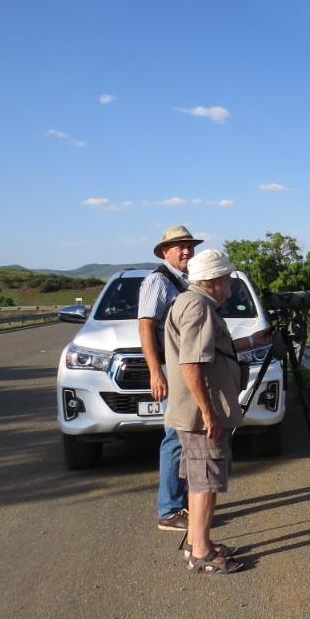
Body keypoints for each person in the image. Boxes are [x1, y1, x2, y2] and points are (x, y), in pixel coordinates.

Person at [164, 249, 270, 573]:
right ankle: (201, 551)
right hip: (199, 417)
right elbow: (191, 363)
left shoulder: (194, 302)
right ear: (212, 280)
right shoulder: (198, 307)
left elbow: (210, 350)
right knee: (206, 482)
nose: (229, 284)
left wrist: (251, 340)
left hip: (195, 414)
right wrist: (208, 413)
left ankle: (200, 543)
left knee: (201, 482)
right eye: (225, 278)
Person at [139, 224, 202, 532]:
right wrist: (155, 371)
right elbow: (146, 326)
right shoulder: (159, 281)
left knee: (182, 435)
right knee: (175, 438)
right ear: (165, 252)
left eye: (189, 245)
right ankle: (169, 510)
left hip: (179, 368)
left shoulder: (183, 281)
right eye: (180, 246)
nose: (187, 250)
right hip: (170, 368)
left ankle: (180, 502)